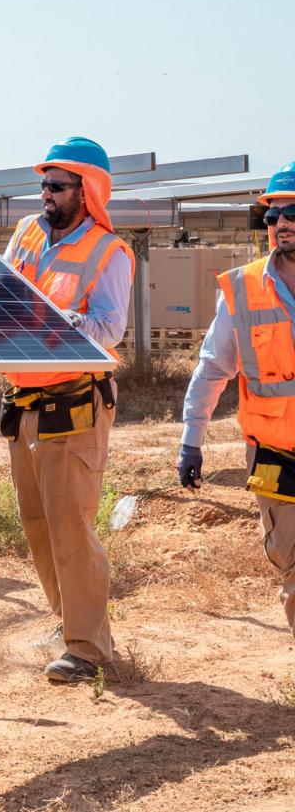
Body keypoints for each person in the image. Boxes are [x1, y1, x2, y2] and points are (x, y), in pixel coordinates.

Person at [0, 137, 134, 682]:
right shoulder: (28, 233)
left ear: (87, 190)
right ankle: (67, 625)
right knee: (37, 525)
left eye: (57, 186)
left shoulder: (109, 252)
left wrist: (52, 320)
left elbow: (107, 329)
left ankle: (88, 647)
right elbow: (1, 290)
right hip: (22, 404)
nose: (46, 195)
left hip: (74, 407)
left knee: (70, 527)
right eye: (44, 184)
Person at [179, 161, 295, 635]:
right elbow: (212, 369)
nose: (281, 223)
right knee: (292, 567)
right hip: (272, 454)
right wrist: (192, 439)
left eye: (292, 212)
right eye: (272, 215)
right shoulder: (242, 290)